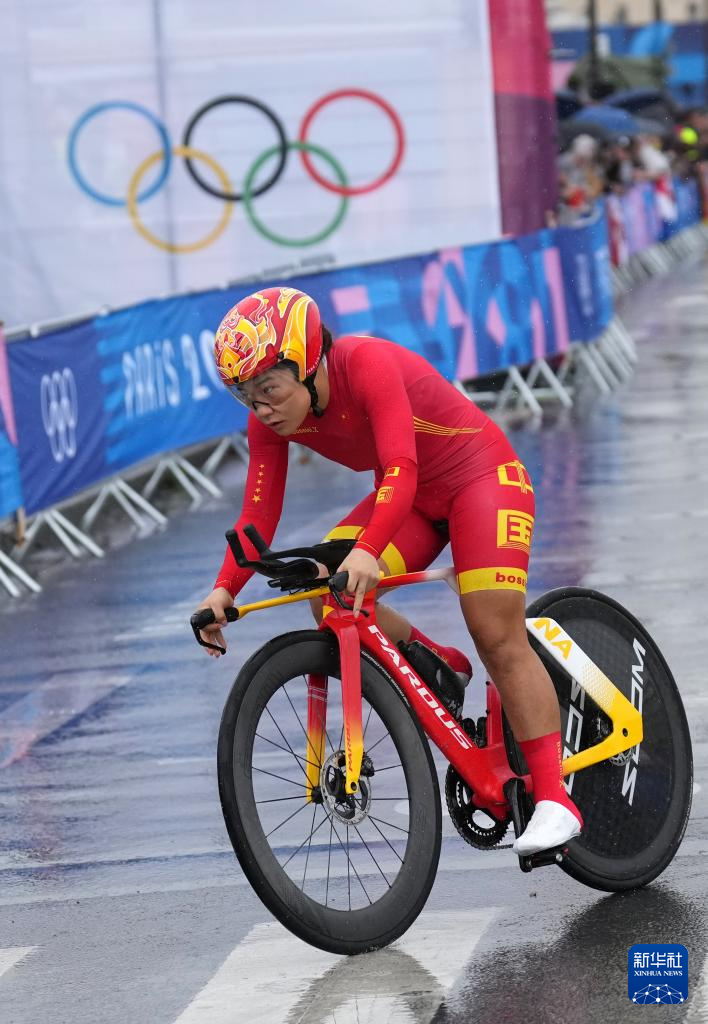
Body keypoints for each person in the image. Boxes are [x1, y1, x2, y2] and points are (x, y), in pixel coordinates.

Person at [194, 286, 583, 856]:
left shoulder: (366, 364)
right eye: (247, 397)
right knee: (326, 590)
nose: (263, 408)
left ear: (307, 362)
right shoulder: (269, 424)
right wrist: (223, 590)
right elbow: (257, 515)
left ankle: (555, 799)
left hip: (481, 480)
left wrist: (369, 548)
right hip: (412, 501)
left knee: (493, 631)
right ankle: (437, 665)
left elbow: (401, 467)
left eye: (269, 388)